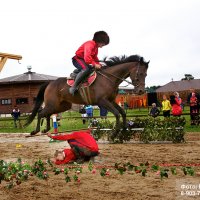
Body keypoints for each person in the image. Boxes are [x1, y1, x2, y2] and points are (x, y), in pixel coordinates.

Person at [69, 31, 110, 95]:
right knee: (86, 69)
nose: (102, 47)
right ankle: (73, 87)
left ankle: (77, 72)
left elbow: (95, 57)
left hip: (84, 60)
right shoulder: (90, 44)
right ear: (99, 41)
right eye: (102, 44)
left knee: (91, 69)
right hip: (78, 59)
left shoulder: (96, 47)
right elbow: (87, 58)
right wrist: (94, 64)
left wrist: (99, 64)